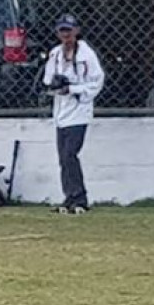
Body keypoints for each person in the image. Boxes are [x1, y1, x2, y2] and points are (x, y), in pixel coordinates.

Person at [43, 13, 105, 213]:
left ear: (76, 31)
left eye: (69, 31)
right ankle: (69, 198)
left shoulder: (86, 55)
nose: (65, 35)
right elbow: (47, 79)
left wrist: (74, 89)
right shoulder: (55, 54)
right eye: (62, 31)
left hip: (79, 112)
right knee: (63, 158)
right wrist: (57, 85)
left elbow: (96, 81)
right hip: (61, 112)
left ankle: (80, 199)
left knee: (70, 154)